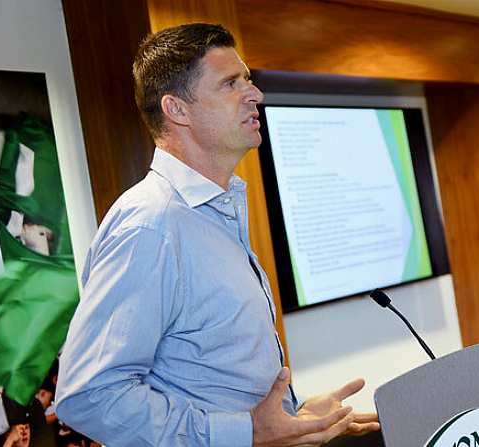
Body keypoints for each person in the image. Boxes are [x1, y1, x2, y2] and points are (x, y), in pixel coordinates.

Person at [54, 23, 379, 446]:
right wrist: (244, 433)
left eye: (248, 79)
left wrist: (290, 417)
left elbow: (210, 377)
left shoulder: (213, 213)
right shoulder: (150, 225)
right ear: (177, 110)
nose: (255, 94)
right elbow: (89, 395)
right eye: (230, 83)